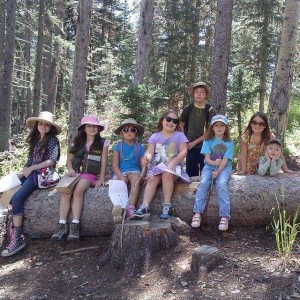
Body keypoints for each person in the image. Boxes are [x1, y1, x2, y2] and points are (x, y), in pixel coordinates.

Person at [1, 111, 61, 257]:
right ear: (37, 125)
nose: (43, 126)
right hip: (31, 172)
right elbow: (30, 159)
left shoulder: (52, 140)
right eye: (41, 123)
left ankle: (18, 238)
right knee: (6, 190)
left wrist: (32, 169)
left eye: (47, 124)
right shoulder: (35, 138)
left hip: (41, 174)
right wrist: (23, 172)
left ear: (51, 127)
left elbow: (52, 161)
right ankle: (9, 229)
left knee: (17, 198)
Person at [51, 115, 108, 241]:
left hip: (90, 174)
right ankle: (61, 224)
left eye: (94, 126)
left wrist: (101, 178)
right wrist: (70, 169)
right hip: (75, 173)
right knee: (65, 192)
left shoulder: (103, 143)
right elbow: (69, 160)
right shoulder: (76, 142)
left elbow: (103, 161)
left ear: (98, 128)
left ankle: (75, 224)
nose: (92, 128)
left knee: (78, 191)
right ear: (83, 128)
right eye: (89, 126)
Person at [133, 109, 190, 221]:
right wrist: (146, 158)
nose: (171, 123)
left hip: (173, 168)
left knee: (167, 174)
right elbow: (150, 151)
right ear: (162, 121)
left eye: (175, 121)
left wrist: (174, 161)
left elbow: (184, 151)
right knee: (152, 178)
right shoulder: (155, 136)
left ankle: (167, 205)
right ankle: (145, 206)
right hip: (157, 167)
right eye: (168, 119)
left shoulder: (180, 135)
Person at [191, 115, 233, 231]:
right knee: (204, 183)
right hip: (209, 167)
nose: (219, 128)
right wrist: (214, 164)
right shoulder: (208, 141)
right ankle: (197, 213)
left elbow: (225, 160)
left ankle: (224, 216)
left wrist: (218, 171)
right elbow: (207, 159)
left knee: (221, 184)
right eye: (216, 125)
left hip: (225, 168)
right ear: (212, 128)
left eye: (222, 125)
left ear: (226, 128)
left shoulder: (229, 142)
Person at [111, 118, 145, 222]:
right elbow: (115, 165)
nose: (129, 132)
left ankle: (131, 208)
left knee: (135, 178)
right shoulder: (118, 146)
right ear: (121, 133)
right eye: (125, 130)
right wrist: (121, 176)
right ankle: (118, 209)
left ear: (136, 133)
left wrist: (143, 175)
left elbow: (143, 164)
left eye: (132, 130)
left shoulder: (140, 147)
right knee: (117, 182)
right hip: (120, 171)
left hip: (134, 170)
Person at [179, 82, 216, 177]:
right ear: (193, 94)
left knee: (205, 173)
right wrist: (184, 139)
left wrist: (194, 143)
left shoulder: (210, 110)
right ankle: (191, 192)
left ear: (206, 95)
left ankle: (206, 191)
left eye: (202, 92)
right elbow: (181, 123)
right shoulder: (188, 108)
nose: (199, 94)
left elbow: (210, 131)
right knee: (191, 174)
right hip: (190, 146)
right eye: (197, 92)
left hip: (206, 147)